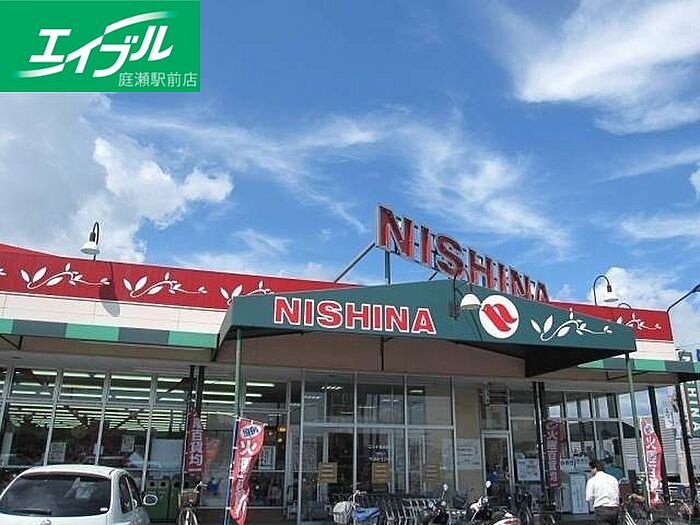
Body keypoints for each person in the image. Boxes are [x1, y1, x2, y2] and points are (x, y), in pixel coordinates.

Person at [585, 459, 620, 525]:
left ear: (595, 469)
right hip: (615, 508)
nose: (591, 471)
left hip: (601, 509)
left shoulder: (592, 481)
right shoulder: (613, 479)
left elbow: (589, 498)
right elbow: (617, 493)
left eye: (591, 469)